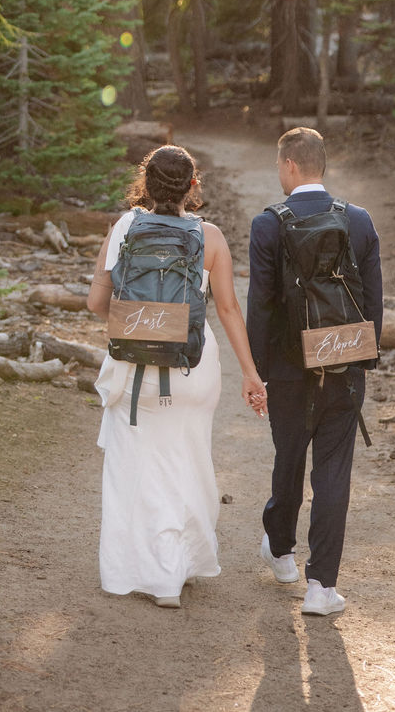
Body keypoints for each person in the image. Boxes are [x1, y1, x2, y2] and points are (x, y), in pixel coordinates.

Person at [87, 143, 267, 608]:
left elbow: (95, 304)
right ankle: (179, 567)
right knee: (188, 461)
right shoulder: (211, 237)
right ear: (193, 186)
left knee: (140, 467)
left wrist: (140, 312)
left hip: (136, 366)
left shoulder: (124, 227)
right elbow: (227, 309)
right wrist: (251, 374)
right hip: (192, 363)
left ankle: (151, 571)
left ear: (145, 184)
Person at [246, 125, 383, 617]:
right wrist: (361, 358)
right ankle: (321, 588)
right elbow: (373, 301)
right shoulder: (360, 221)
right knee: (333, 474)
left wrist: (257, 371)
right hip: (344, 365)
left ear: (289, 165)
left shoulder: (268, 225)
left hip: (287, 369)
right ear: (321, 165)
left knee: (288, 458)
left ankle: (281, 552)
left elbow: (259, 307)